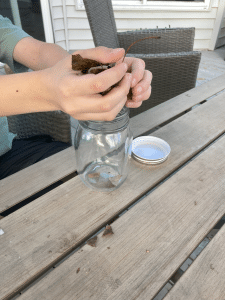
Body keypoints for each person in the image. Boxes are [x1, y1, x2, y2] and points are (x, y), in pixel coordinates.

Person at [0, 15, 152, 181]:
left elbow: (36, 51)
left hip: (7, 152)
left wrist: (87, 69)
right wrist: (48, 89)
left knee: (71, 171)